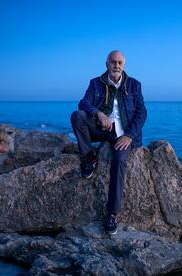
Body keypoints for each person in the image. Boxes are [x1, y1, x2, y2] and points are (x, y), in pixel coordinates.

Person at [70, 50, 147, 235]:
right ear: (106, 64)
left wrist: (129, 135)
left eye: (120, 62)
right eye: (113, 62)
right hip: (102, 127)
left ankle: (112, 214)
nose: (116, 66)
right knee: (77, 116)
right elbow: (83, 103)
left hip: (123, 133)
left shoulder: (134, 85)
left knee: (119, 161)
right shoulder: (95, 83)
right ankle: (89, 157)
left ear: (124, 65)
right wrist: (97, 112)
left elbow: (142, 113)